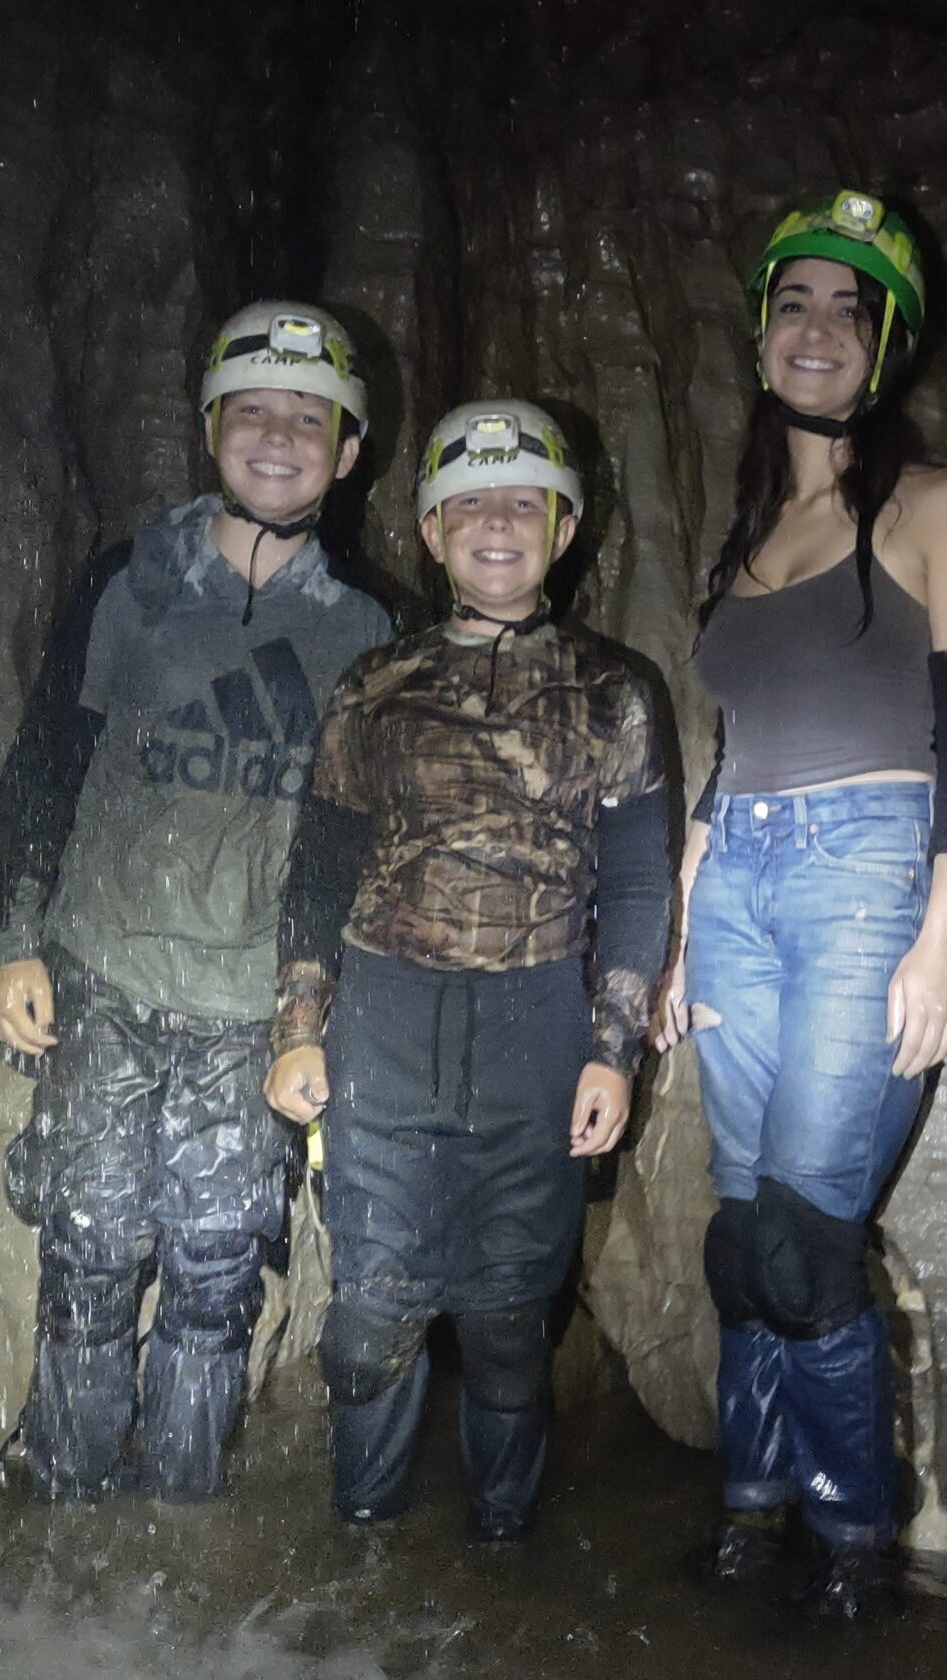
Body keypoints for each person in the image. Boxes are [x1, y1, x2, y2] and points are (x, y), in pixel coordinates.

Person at [654, 190, 947, 1615]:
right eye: (795, 302)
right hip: (735, 870)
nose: (819, 329)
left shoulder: (938, 508)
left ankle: (853, 1540)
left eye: (850, 310)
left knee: (805, 1240)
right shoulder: (749, 538)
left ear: (889, 348)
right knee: (744, 1230)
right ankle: (750, 1512)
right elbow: (728, 754)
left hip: (873, 866)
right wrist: (684, 918)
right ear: (760, 336)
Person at [0, 301, 392, 1502]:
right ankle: (63, 1509)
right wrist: (14, 939)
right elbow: (46, 755)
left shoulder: (367, 628)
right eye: (252, 413)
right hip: (103, 974)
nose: (277, 439)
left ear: (348, 451)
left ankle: (177, 1529)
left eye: (306, 420)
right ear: (211, 426)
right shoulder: (132, 579)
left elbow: (347, 837)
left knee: (217, 1274)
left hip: (244, 1006)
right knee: (90, 1254)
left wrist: (307, 1015)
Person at [265, 400, 673, 1542]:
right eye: (468, 504)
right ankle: (364, 1548)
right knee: (369, 1321)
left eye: (521, 501)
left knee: (506, 1323)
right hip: (384, 1022)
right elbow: (317, 867)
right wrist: (298, 1026)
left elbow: (639, 888)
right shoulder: (373, 684)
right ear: (433, 533)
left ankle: (499, 1556)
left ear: (563, 526)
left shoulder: (614, 694)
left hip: (534, 1031)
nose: (496, 523)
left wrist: (612, 1053)